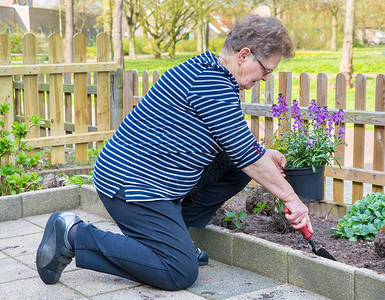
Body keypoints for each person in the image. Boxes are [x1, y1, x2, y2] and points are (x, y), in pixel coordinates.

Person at [36, 15, 313, 291]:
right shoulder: (212, 84)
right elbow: (245, 154)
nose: (265, 79)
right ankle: (72, 234)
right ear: (243, 55)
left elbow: (237, 146)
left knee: (236, 167)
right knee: (179, 270)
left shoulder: (209, 70)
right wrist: (293, 200)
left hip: (151, 178)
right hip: (130, 184)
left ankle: (171, 235)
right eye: (265, 70)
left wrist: (262, 154)